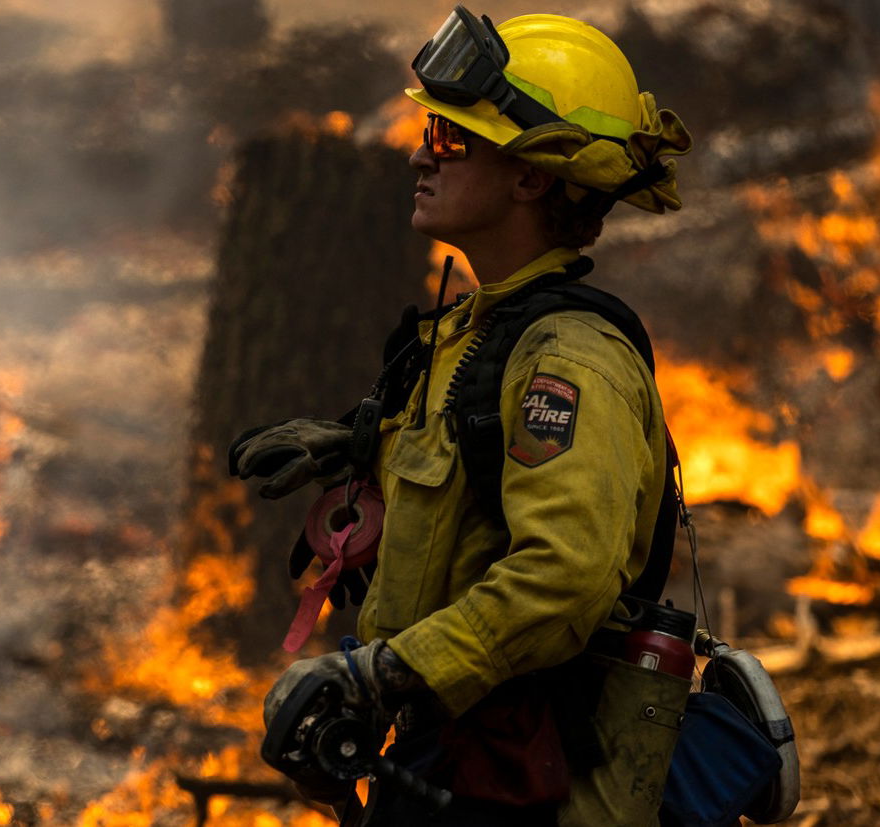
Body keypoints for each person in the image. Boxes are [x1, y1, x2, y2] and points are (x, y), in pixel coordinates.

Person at [230, 7, 694, 826]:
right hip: (441, 758)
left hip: (520, 780)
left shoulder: (569, 361)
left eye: (451, 139)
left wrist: (381, 674)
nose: (418, 152)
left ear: (531, 175)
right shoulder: (470, 330)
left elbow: (563, 579)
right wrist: (357, 444)